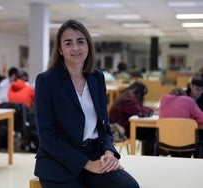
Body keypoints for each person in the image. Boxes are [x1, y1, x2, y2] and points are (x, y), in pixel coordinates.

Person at [34, 19, 139, 188]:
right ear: (60, 50)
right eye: (68, 43)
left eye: (80, 41)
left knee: (129, 186)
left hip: (94, 153)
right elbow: (47, 136)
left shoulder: (96, 77)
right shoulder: (47, 81)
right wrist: (87, 164)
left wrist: (108, 151)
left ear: (88, 45)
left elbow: (104, 126)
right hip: (59, 160)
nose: (75, 48)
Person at [108, 81, 157, 156]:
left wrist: (149, 108)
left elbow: (138, 108)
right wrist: (151, 110)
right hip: (121, 128)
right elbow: (138, 111)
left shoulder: (127, 94)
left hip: (121, 124)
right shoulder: (129, 98)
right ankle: (149, 157)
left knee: (150, 131)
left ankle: (148, 156)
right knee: (151, 132)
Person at [159, 87, 203, 157]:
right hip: (187, 144)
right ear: (184, 95)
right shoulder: (189, 101)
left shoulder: (163, 99)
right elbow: (201, 119)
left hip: (166, 142)